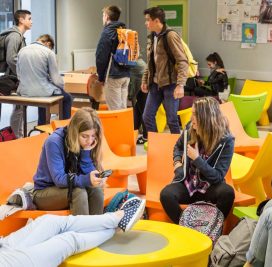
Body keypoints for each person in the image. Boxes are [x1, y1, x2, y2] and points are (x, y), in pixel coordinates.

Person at [0, 197, 146, 267]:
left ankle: (115, 218)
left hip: (3, 245)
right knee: (68, 240)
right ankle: (117, 226)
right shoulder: (54, 143)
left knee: (50, 220)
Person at [160, 97, 235, 224]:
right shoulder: (190, 129)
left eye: (194, 114)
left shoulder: (226, 140)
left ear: (205, 117)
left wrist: (197, 159)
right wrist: (177, 164)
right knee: (166, 195)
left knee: (227, 193)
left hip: (210, 187)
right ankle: (186, 226)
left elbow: (217, 177)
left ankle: (211, 226)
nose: (190, 118)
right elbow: (178, 146)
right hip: (188, 185)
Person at [33, 108, 105, 215]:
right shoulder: (53, 142)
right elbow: (59, 179)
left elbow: (87, 177)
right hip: (44, 193)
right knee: (78, 192)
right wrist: (86, 179)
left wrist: (86, 153)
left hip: (69, 188)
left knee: (96, 190)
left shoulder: (89, 143)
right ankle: (81, 231)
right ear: (75, 132)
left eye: (93, 136)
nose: (89, 141)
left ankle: (95, 230)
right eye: (84, 136)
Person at [11, 34, 72, 135]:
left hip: (24, 92)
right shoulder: (48, 52)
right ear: (48, 43)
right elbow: (56, 79)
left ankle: (41, 129)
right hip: (42, 92)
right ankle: (65, 131)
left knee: (42, 99)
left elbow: (19, 75)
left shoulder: (22, 51)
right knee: (67, 97)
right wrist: (61, 86)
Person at [141, 7, 188, 134]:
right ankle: (158, 144)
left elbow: (183, 61)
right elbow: (151, 62)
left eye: (147, 20)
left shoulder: (170, 36)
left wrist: (180, 85)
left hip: (170, 84)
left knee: (172, 120)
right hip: (155, 85)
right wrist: (145, 80)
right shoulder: (152, 37)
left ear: (156, 21)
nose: (145, 23)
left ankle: (177, 150)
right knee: (147, 117)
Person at [2, 10, 32, 138]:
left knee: (20, 108)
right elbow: (11, 58)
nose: (31, 21)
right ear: (21, 20)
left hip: (15, 77)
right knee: (19, 109)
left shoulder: (19, 36)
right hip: (13, 78)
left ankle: (17, 136)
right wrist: (23, 73)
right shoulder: (15, 36)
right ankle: (16, 138)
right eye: (29, 18)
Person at [95, 5, 130, 110]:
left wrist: (101, 77)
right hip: (126, 75)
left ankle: (118, 127)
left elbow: (101, 56)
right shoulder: (124, 31)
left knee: (115, 110)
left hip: (113, 75)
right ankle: (124, 127)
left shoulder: (108, 32)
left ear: (106, 17)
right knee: (123, 108)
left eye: (103, 15)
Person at [128, 57, 148, 145]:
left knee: (143, 111)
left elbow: (132, 87)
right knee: (139, 108)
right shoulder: (137, 59)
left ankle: (146, 137)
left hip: (143, 83)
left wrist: (130, 95)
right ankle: (135, 132)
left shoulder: (133, 62)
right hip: (144, 81)